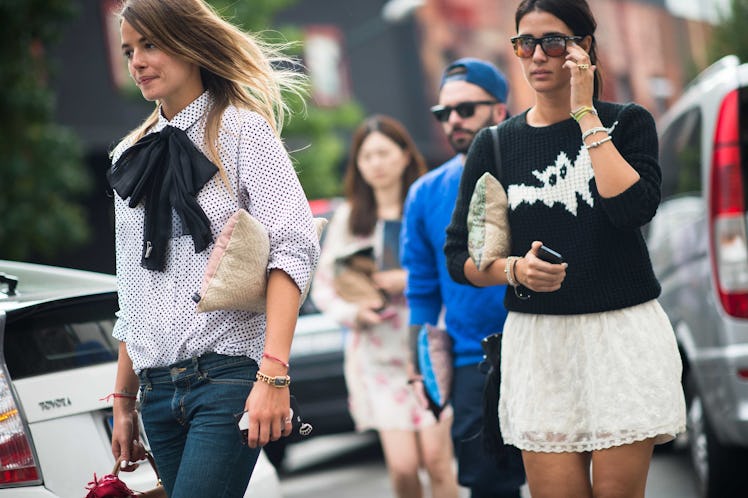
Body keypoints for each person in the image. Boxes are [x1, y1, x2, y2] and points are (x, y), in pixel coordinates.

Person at [444, 1, 686, 497]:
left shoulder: (629, 123)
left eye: (552, 41)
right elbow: (459, 257)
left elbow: (632, 209)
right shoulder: (493, 145)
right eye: (524, 43)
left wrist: (584, 114)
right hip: (540, 343)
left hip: (620, 333)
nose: (537, 55)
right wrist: (516, 270)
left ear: (584, 47)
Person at [107, 1, 320, 496]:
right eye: (128, 50)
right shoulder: (126, 155)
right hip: (156, 391)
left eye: (150, 44)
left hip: (226, 378)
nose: (136, 61)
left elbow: (292, 249)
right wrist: (124, 399)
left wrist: (273, 376)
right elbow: (133, 287)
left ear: (190, 44)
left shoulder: (244, 131)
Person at [311, 114, 459, 498]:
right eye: (366, 156)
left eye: (383, 153)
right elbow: (324, 287)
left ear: (405, 156)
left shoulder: (426, 208)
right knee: (403, 468)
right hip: (377, 356)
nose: (375, 163)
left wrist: (408, 281)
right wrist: (353, 313)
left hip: (427, 347)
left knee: (437, 461)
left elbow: (457, 269)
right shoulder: (349, 220)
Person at [401, 58, 526, 498]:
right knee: (489, 485)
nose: (453, 120)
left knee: (563, 476)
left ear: (499, 109)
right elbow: (421, 288)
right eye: (444, 112)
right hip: (472, 359)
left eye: (465, 109)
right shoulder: (425, 193)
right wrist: (420, 364)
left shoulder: (530, 170)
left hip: (545, 340)